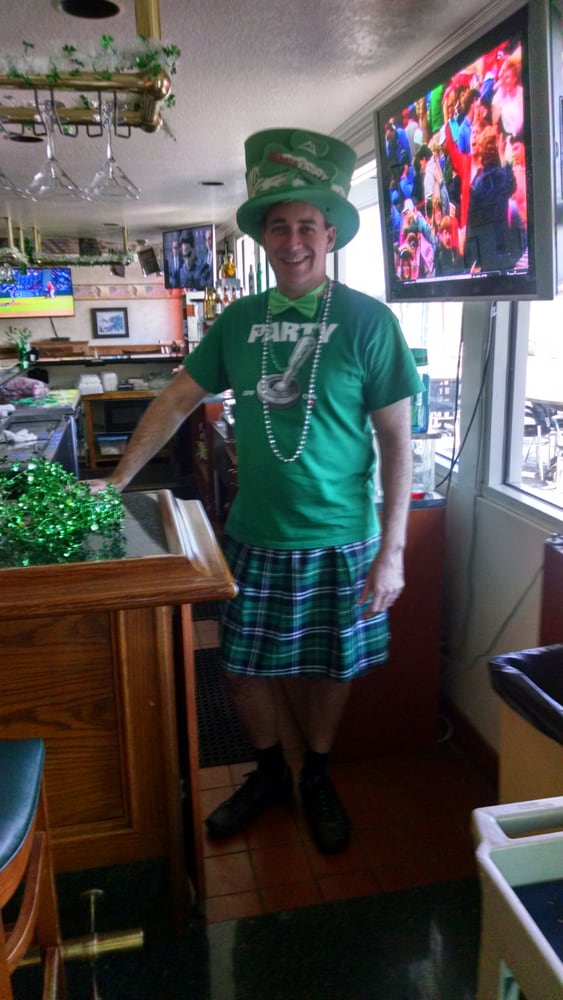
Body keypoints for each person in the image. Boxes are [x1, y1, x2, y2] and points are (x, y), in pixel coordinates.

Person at [87, 127, 422, 855]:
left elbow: (398, 442)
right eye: (279, 226)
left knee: (329, 669)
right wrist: (116, 482)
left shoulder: (370, 321)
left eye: (306, 225)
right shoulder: (239, 321)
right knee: (240, 670)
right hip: (255, 533)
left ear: (328, 235)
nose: (292, 240)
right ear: (264, 238)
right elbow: (176, 400)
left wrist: (392, 551)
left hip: (342, 536)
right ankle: (270, 773)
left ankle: (316, 775)